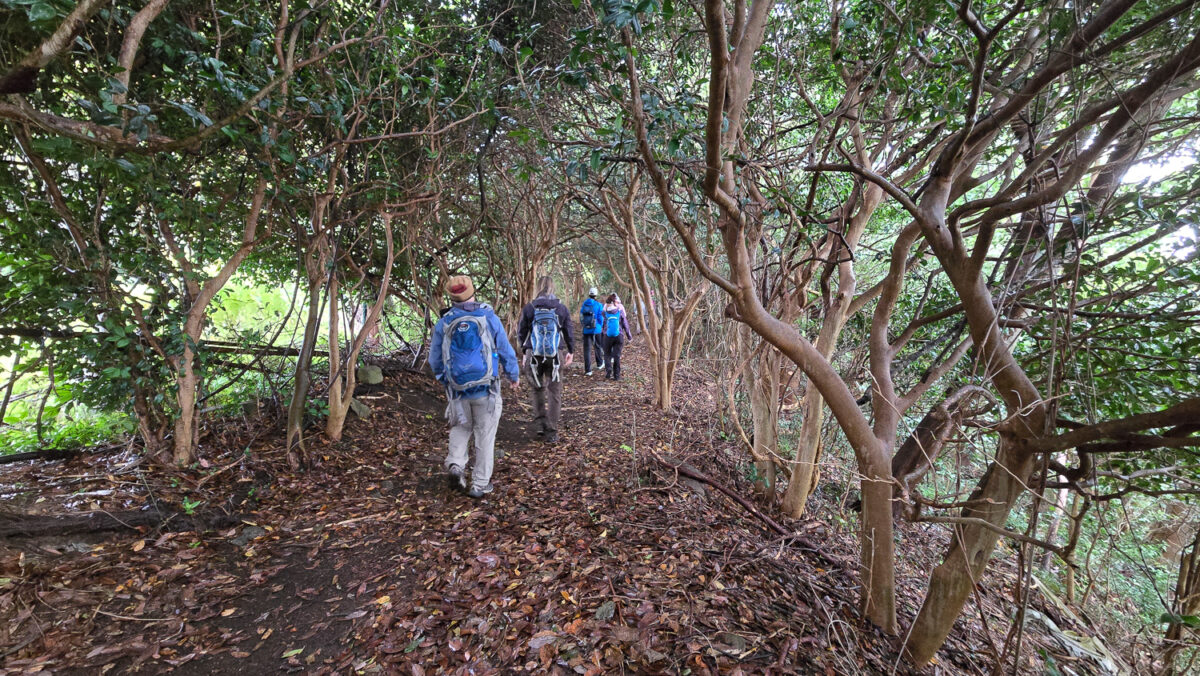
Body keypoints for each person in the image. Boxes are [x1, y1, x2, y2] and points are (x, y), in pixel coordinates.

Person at [428, 275, 520, 499]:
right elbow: (505, 349)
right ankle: (479, 484)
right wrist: (513, 375)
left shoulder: (445, 322)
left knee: (461, 428)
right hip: (486, 389)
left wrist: (446, 380)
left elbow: (434, 360)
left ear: (452, 297)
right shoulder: (488, 317)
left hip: (458, 390)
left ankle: (456, 466)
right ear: (472, 292)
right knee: (485, 436)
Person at [518, 275, 575, 443]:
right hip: (555, 355)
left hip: (533, 354)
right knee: (554, 391)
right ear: (552, 288)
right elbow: (568, 331)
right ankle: (552, 431)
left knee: (537, 389)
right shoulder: (561, 308)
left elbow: (522, 331)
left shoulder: (529, 308)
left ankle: (539, 426)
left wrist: (524, 350)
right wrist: (570, 350)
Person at [600, 293, 633, 380]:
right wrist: (629, 336)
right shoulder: (620, 311)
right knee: (617, 356)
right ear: (615, 302)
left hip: (607, 336)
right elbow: (625, 324)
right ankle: (616, 376)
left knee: (607, 354)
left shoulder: (605, 312)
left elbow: (602, 322)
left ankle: (608, 370)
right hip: (619, 335)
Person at [579, 287, 605, 375]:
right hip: (596, 329)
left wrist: (583, 325)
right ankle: (600, 364)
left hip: (586, 329)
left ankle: (588, 370)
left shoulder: (584, 304)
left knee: (587, 350)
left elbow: (581, 316)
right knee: (597, 346)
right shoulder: (598, 305)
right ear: (596, 295)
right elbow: (600, 317)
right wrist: (600, 326)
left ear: (589, 294)